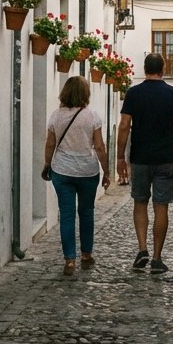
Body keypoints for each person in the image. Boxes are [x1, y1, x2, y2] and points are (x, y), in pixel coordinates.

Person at [116, 53, 173, 275]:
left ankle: (142, 249)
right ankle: (157, 258)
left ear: (144, 68)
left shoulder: (133, 93)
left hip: (140, 158)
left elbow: (124, 126)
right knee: (161, 207)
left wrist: (120, 156)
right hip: (166, 158)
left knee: (140, 203)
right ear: (163, 69)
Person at [44, 76, 111, 276]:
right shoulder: (92, 117)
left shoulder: (56, 116)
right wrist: (106, 171)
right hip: (87, 172)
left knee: (66, 214)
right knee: (86, 212)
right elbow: (99, 146)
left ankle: (70, 260)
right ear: (85, 93)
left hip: (62, 171)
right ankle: (86, 254)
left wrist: (47, 164)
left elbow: (50, 144)